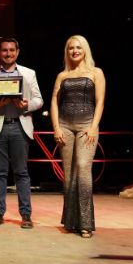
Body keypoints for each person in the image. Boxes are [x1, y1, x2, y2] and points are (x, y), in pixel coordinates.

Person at [0, 37, 43, 229]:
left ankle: (26, 215)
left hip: (19, 126)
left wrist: (26, 105)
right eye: (4, 50)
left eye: (12, 50)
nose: (8, 54)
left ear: (17, 52)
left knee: (21, 172)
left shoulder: (29, 74)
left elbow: (39, 100)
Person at [50, 35, 106, 238]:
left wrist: (93, 127)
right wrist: (56, 128)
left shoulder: (96, 72)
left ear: (85, 50)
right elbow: (54, 102)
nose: (74, 51)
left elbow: (100, 102)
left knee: (82, 168)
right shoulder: (62, 75)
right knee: (69, 174)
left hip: (86, 126)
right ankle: (71, 221)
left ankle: (86, 223)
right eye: (71, 48)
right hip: (65, 126)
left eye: (78, 47)